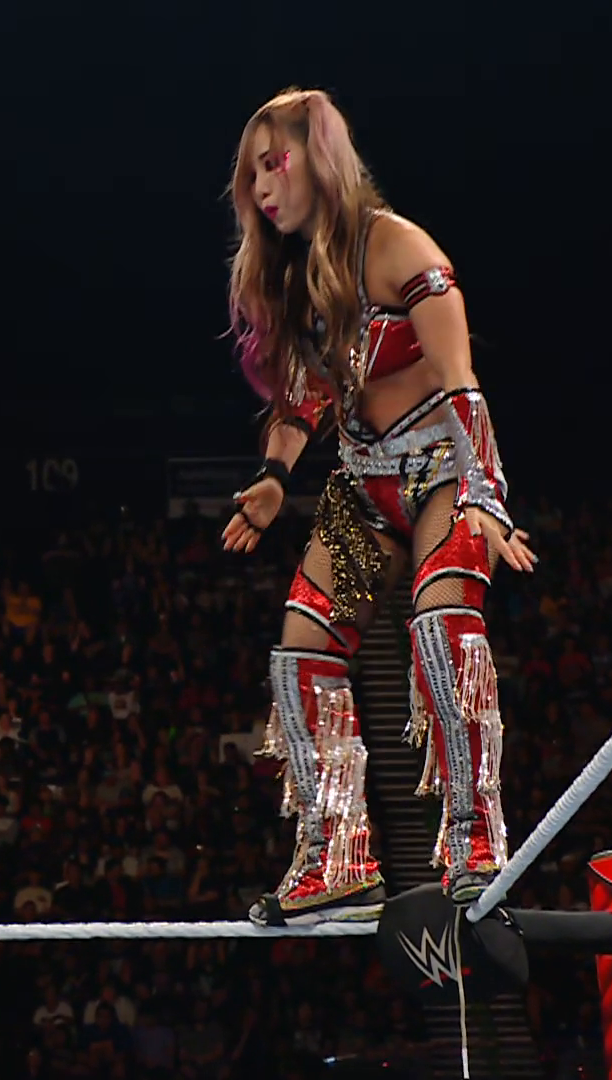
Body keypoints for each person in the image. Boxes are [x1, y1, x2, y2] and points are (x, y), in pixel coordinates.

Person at [222, 87, 538, 926]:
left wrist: (487, 495)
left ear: (320, 160)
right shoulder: (298, 276)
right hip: (364, 486)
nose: (262, 187)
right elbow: (303, 397)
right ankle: (338, 857)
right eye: (252, 173)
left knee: (441, 624)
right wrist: (274, 477)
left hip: (442, 470)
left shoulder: (398, 246)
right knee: (300, 651)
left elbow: (460, 379)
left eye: (275, 163)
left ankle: (475, 841)